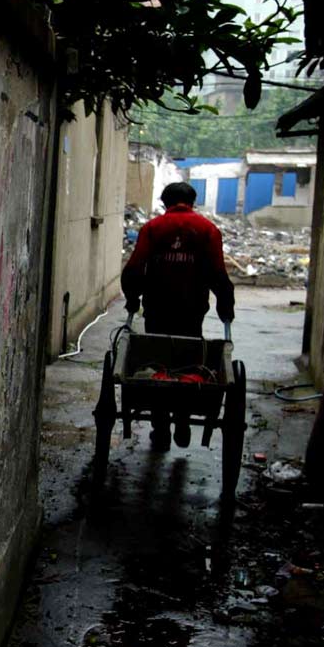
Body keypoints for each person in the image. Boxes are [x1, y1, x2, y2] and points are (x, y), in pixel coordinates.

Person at [121, 181, 235, 450]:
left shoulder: (152, 228)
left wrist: (131, 298)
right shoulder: (208, 230)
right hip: (192, 310)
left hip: (157, 309)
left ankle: (160, 429)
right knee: (187, 361)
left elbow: (135, 268)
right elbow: (219, 274)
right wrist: (225, 305)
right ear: (193, 202)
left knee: (159, 361)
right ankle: (182, 422)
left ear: (164, 203)